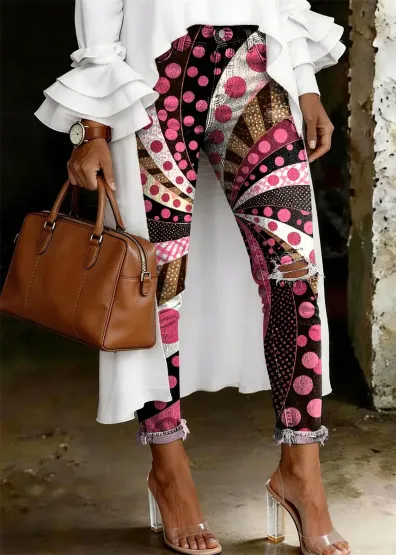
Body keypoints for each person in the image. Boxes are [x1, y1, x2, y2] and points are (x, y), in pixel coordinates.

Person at [36, 1, 350, 554]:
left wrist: (304, 83)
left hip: (259, 67)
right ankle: (169, 469)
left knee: (294, 270)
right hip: (156, 79)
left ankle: (301, 475)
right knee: (155, 284)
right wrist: (92, 127)